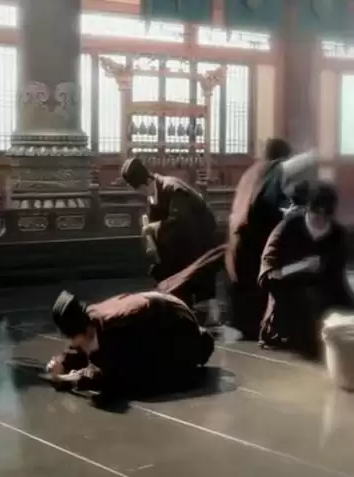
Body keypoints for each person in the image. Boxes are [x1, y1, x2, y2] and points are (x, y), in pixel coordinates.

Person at [46, 289, 215, 396]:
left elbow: (111, 375)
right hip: (160, 315)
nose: (73, 343)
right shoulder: (90, 319)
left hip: (178, 326)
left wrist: (73, 379)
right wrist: (63, 362)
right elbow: (80, 346)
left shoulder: (117, 328)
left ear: (85, 331)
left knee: (142, 380)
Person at [258, 183, 354, 356]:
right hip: (285, 318)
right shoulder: (287, 229)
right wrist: (299, 267)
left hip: (323, 316)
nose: (321, 221)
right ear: (308, 210)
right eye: (317, 215)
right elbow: (266, 277)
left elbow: (339, 284)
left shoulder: (337, 236)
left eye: (326, 217)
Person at [121, 158, 220, 320]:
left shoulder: (173, 188)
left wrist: (154, 227)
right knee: (167, 272)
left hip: (200, 240)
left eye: (140, 189)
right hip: (183, 243)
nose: (142, 193)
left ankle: (207, 318)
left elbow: (181, 222)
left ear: (146, 182)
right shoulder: (154, 193)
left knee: (201, 283)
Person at [225, 137, 302, 339]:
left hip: (235, 251)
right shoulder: (278, 170)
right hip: (257, 249)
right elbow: (280, 208)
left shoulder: (251, 172)